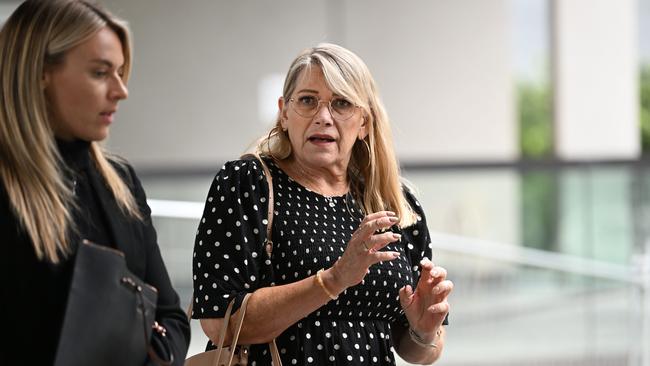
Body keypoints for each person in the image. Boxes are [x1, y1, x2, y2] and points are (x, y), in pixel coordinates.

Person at [192, 43, 452, 365]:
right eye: (307, 101)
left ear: (364, 123)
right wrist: (334, 279)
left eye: (341, 103)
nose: (323, 117)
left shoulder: (395, 205)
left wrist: (423, 332)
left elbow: (416, 351)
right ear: (284, 113)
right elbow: (220, 324)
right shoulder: (248, 183)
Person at [0, 1, 190, 364]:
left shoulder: (121, 183)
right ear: (40, 71)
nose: (121, 90)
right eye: (101, 73)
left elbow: (172, 317)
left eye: (121, 73)